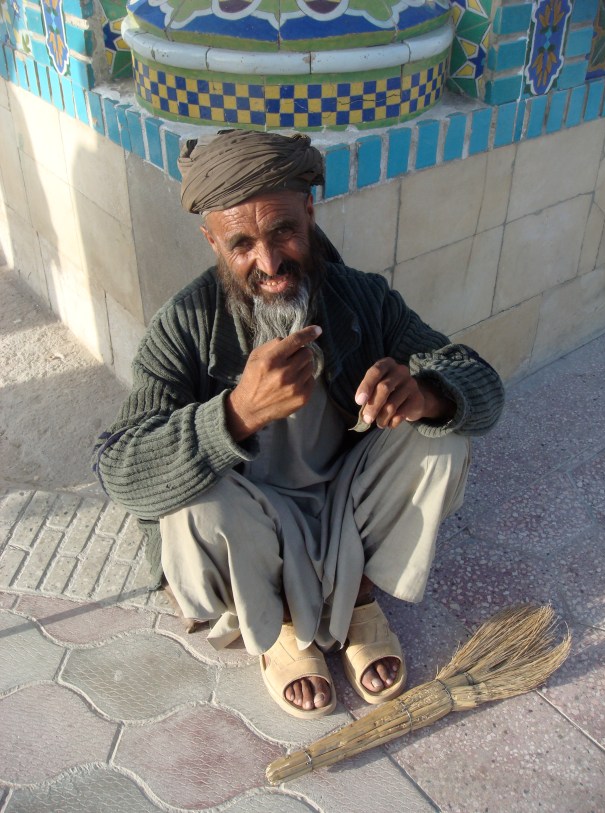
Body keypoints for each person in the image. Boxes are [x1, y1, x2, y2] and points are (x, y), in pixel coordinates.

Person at [93, 130, 504, 719]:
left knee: (444, 443)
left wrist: (427, 395)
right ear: (211, 241)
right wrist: (237, 415)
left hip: (346, 499)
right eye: (241, 243)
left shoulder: (362, 299)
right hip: (251, 510)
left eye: (283, 230)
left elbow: (482, 386)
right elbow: (120, 472)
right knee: (184, 501)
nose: (270, 262)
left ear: (309, 213)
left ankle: (359, 593)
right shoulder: (182, 325)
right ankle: (281, 620)